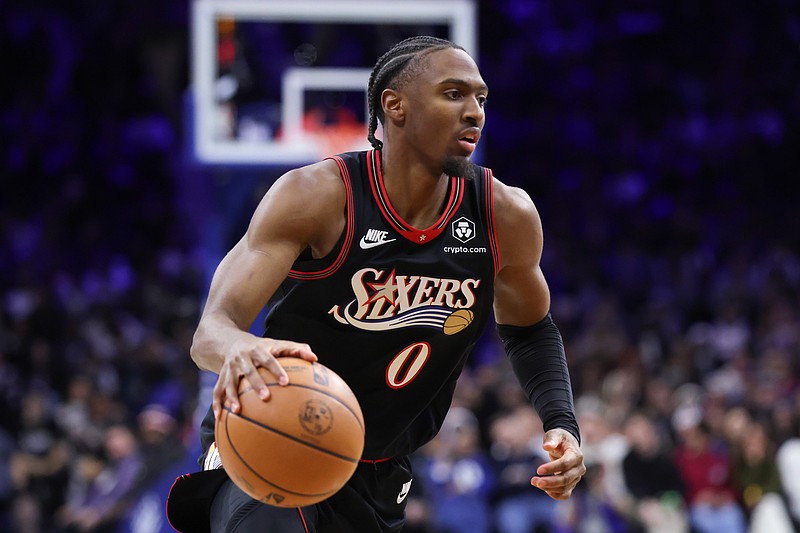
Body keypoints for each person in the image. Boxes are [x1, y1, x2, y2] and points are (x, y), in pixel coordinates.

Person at [167, 35, 585, 532]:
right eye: (454, 94)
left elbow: (531, 329)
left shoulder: (504, 214)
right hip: (274, 425)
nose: (474, 111)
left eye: (481, 99)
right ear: (395, 105)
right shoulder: (317, 195)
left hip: (379, 465)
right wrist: (237, 346)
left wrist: (562, 423)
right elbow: (210, 331)